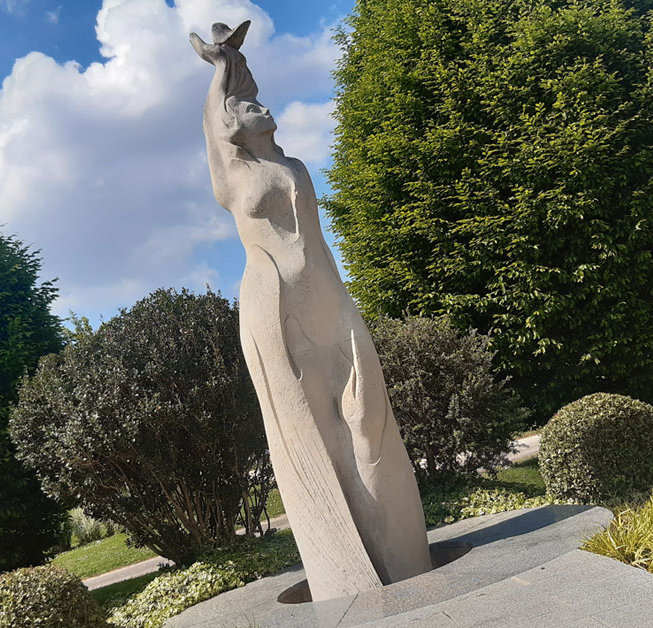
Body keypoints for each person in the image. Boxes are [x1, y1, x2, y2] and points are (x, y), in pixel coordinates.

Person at [191, 21, 431, 601]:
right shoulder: (235, 178)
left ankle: (405, 559)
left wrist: (347, 306)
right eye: (249, 107)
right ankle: (346, 572)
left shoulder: (295, 165)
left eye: (258, 101)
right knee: (318, 438)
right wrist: (222, 68)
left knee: (369, 424)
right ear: (232, 125)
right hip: (279, 314)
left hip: (329, 303)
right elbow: (214, 126)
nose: (262, 108)